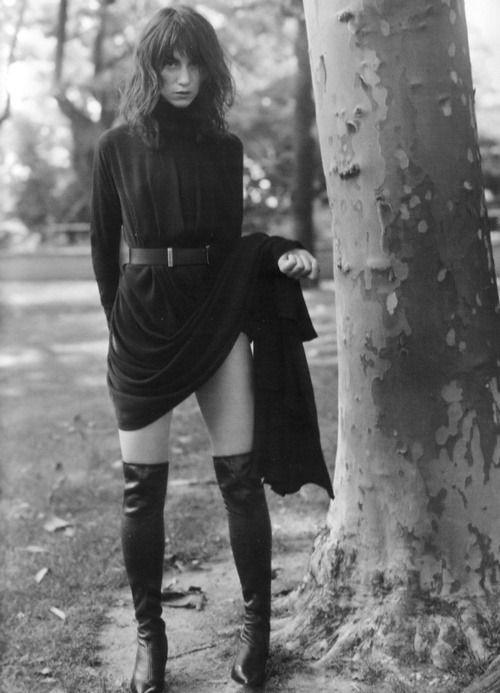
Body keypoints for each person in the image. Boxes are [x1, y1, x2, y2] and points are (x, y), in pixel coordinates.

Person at [90, 6, 333, 692]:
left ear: (210, 68)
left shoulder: (225, 148)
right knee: (141, 491)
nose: (184, 77)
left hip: (214, 316)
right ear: (150, 68)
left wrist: (279, 252)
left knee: (240, 480)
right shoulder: (114, 146)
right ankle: (150, 638)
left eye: (195, 62)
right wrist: (119, 325)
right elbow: (103, 249)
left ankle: (257, 635)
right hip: (142, 328)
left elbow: (232, 244)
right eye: (170, 63)